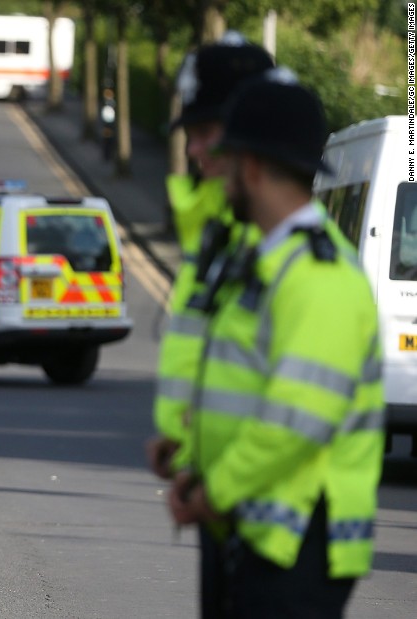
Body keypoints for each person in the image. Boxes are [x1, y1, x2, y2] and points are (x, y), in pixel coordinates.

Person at [166, 70, 384, 617]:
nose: (217, 175)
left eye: (229, 164)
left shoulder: (316, 275)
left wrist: (215, 491)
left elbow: (297, 417)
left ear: (254, 166)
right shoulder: (273, 260)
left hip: (301, 540)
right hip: (262, 527)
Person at [146, 35, 274, 483]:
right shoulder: (220, 235)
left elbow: (300, 409)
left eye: (204, 132)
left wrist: (222, 487)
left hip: (269, 512)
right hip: (219, 486)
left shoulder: (285, 248)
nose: (192, 149)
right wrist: (185, 443)